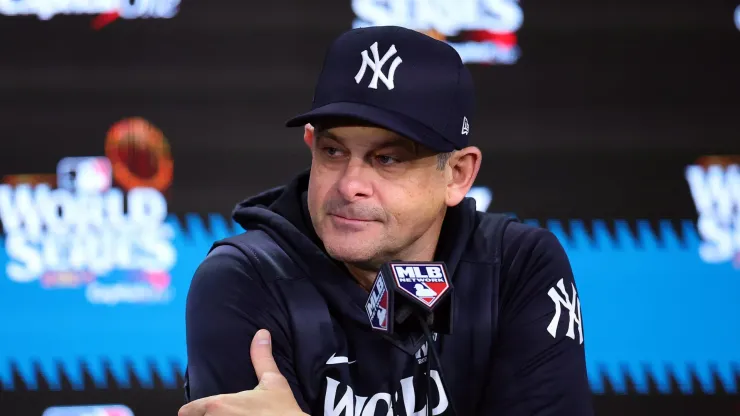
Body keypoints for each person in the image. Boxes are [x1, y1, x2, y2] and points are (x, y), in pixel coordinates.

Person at [179, 25, 593, 416]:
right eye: (334, 152)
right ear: (310, 145)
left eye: (388, 158)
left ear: (458, 175)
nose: (350, 185)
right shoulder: (243, 280)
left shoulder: (515, 268)